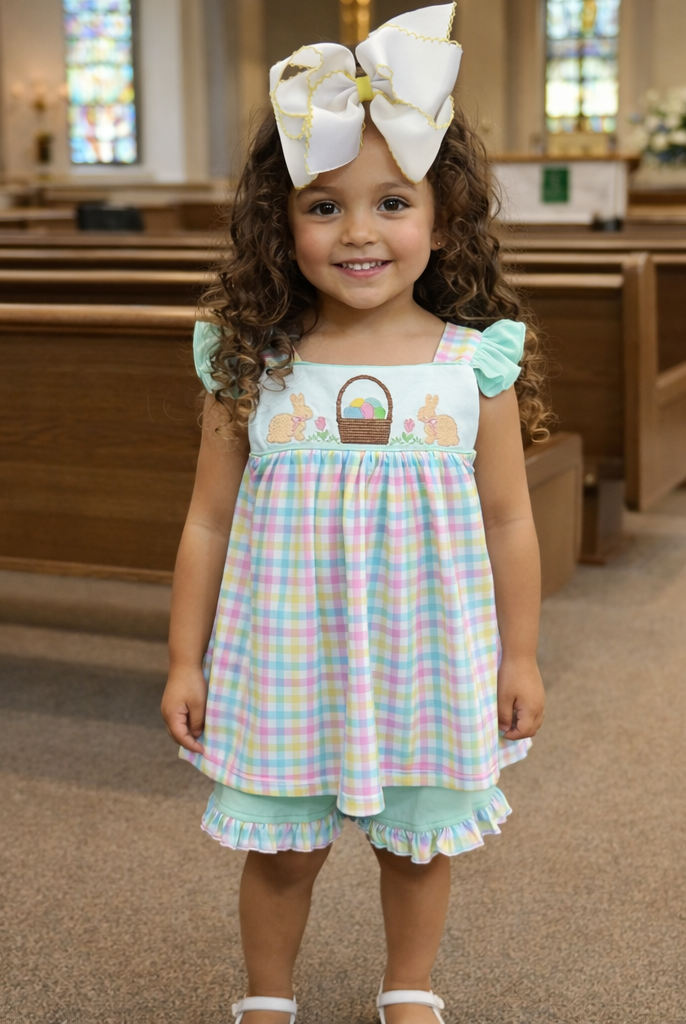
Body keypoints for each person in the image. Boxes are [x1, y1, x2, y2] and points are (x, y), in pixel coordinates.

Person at [161, 6, 547, 1023]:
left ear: (444, 219)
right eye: (324, 207)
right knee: (280, 846)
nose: (360, 232)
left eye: (390, 202)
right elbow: (206, 522)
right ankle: (267, 998)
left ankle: (408, 986)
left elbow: (509, 521)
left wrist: (518, 655)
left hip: (426, 648)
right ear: (280, 226)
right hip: (284, 651)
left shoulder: (474, 364)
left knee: (414, 838)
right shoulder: (252, 362)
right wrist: (184, 659)